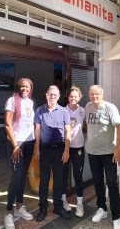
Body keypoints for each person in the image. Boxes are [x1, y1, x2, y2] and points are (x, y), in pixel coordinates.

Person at [85, 85, 120, 229]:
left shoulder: (110, 107)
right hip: (92, 152)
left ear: (102, 95)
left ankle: (116, 216)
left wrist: (118, 149)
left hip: (108, 153)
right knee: (97, 182)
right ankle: (102, 209)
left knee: (112, 183)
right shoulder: (88, 106)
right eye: (91, 94)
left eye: (97, 94)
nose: (94, 97)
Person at [34, 85, 71, 222]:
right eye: (50, 94)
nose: (52, 96)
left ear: (59, 96)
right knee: (43, 180)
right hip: (44, 149)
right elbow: (37, 131)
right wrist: (37, 149)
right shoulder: (40, 110)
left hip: (60, 150)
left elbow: (68, 132)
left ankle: (58, 207)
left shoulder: (63, 111)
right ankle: (43, 208)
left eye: (55, 94)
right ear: (46, 95)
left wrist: (66, 150)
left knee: (59, 180)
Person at [4, 78, 35, 229]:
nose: (24, 88)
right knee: (16, 177)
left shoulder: (30, 102)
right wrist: (15, 145)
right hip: (16, 144)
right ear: (18, 88)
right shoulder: (11, 100)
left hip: (29, 143)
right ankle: (8, 212)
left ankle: (19, 208)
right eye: (22, 86)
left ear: (30, 88)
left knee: (23, 176)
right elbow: (8, 123)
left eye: (27, 86)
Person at [62, 86, 85, 217]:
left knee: (78, 176)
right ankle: (64, 200)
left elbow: (90, 124)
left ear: (79, 97)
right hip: (65, 147)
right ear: (68, 97)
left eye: (76, 96)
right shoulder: (62, 110)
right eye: (71, 96)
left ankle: (80, 204)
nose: (73, 98)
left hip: (79, 147)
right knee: (64, 174)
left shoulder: (83, 111)